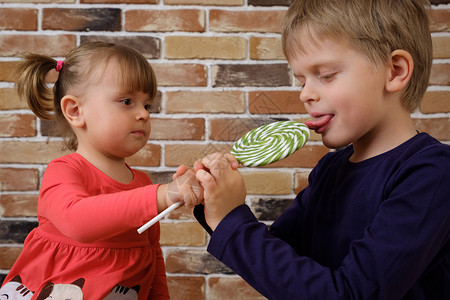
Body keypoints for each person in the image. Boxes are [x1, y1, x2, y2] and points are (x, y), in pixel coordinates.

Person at [191, 0, 450, 299]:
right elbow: (280, 265)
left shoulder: (432, 174)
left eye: (325, 75)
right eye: (301, 80)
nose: (305, 94)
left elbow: (351, 294)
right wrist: (215, 200)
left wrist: (232, 221)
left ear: (394, 71)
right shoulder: (330, 170)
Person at [0, 42, 203, 299]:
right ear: (75, 111)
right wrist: (162, 195)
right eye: (127, 101)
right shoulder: (64, 171)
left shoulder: (142, 183)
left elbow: (152, 257)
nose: (143, 114)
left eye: (147, 105)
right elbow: (77, 222)